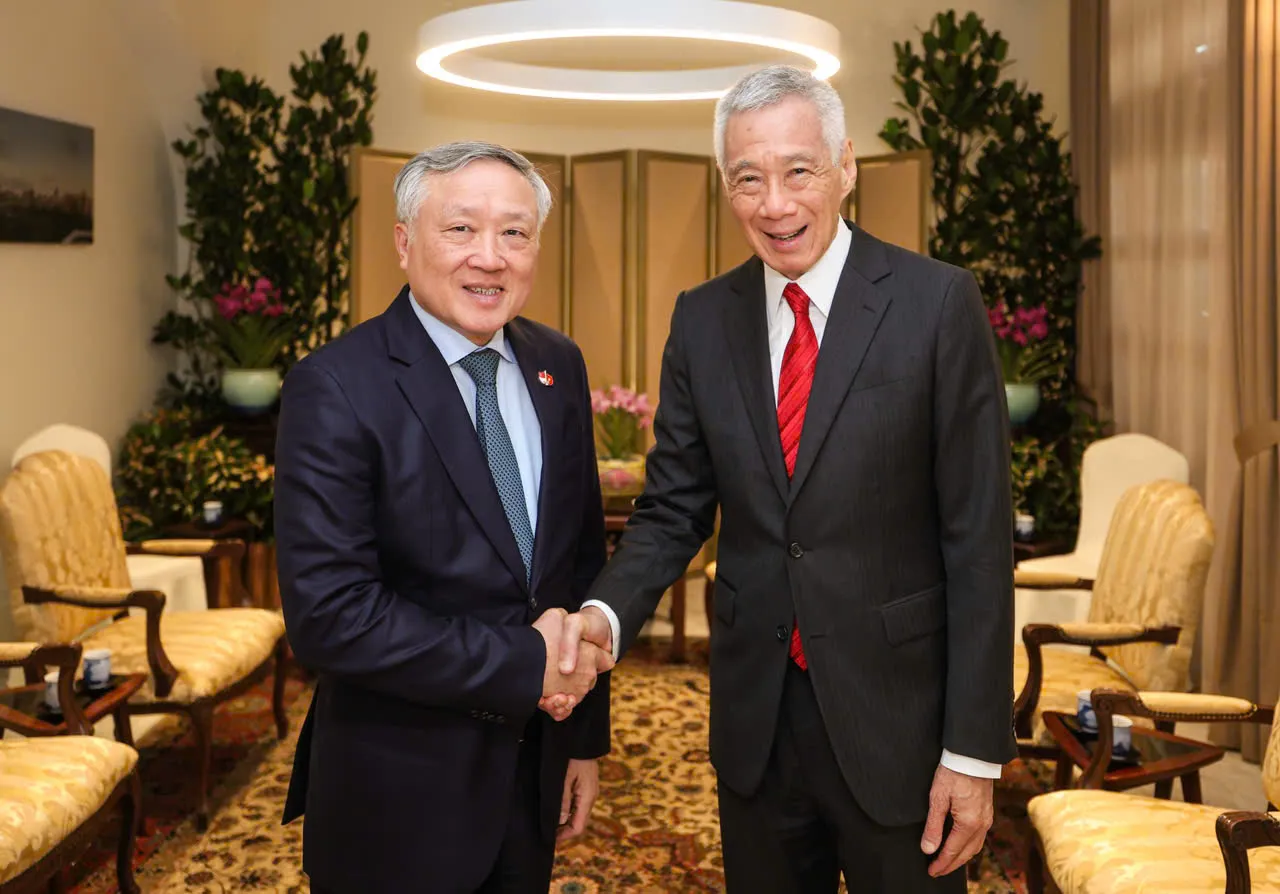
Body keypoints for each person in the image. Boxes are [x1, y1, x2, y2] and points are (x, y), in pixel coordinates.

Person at [554, 65, 1016, 893]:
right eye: (748, 179)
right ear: (724, 185)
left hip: (900, 722)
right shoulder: (703, 317)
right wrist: (604, 616)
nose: (774, 204)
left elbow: (977, 541)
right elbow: (672, 510)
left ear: (846, 167)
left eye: (798, 171)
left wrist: (974, 751)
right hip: (757, 722)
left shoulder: (937, 304)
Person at [275, 141, 614, 894]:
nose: (489, 257)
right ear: (404, 243)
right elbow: (330, 617)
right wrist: (526, 663)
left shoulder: (558, 365)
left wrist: (583, 740)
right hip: (399, 796)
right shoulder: (335, 386)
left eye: (514, 233)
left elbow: (579, 566)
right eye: (460, 229)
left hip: (533, 772)